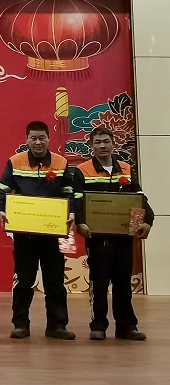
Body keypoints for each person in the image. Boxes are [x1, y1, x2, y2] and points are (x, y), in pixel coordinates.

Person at [0, 121, 76, 340]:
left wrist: (71, 212)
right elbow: (0, 191)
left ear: (48, 138)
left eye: (42, 138)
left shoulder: (60, 162)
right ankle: (20, 324)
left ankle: (57, 326)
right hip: (25, 235)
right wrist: (0, 210)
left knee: (55, 282)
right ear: (27, 140)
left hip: (53, 234)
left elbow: (69, 193)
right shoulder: (15, 162)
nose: (38, 142)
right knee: (23, 281)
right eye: (33, 138)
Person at [72, 127, 154, 341]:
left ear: (113, 143)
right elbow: (76, 201)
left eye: (106, 141)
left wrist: (148, 221)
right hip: (97, 237)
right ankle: (98, 325)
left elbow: (139, 197)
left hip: (123, 236)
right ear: (91, 146)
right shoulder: (82, 170)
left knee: (123, 283)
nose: (102, 146)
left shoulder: (125, 168)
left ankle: (126, 326)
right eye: (98, 142)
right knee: (99, 282)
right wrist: (80, 223)